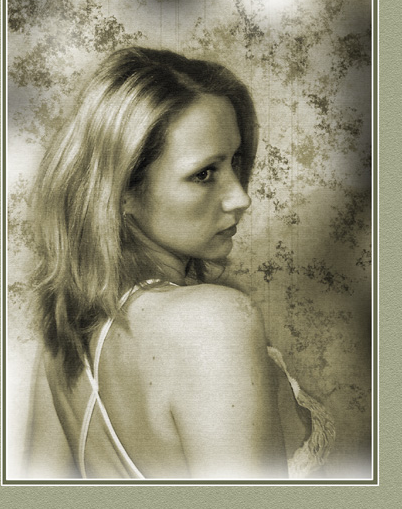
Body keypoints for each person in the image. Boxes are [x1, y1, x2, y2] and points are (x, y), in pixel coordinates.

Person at [25, 47, 334, 480]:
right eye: (204, 174)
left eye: (235, 161)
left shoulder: (69, 333)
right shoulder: (213, 321)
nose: (240, 197)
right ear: (122, 193)